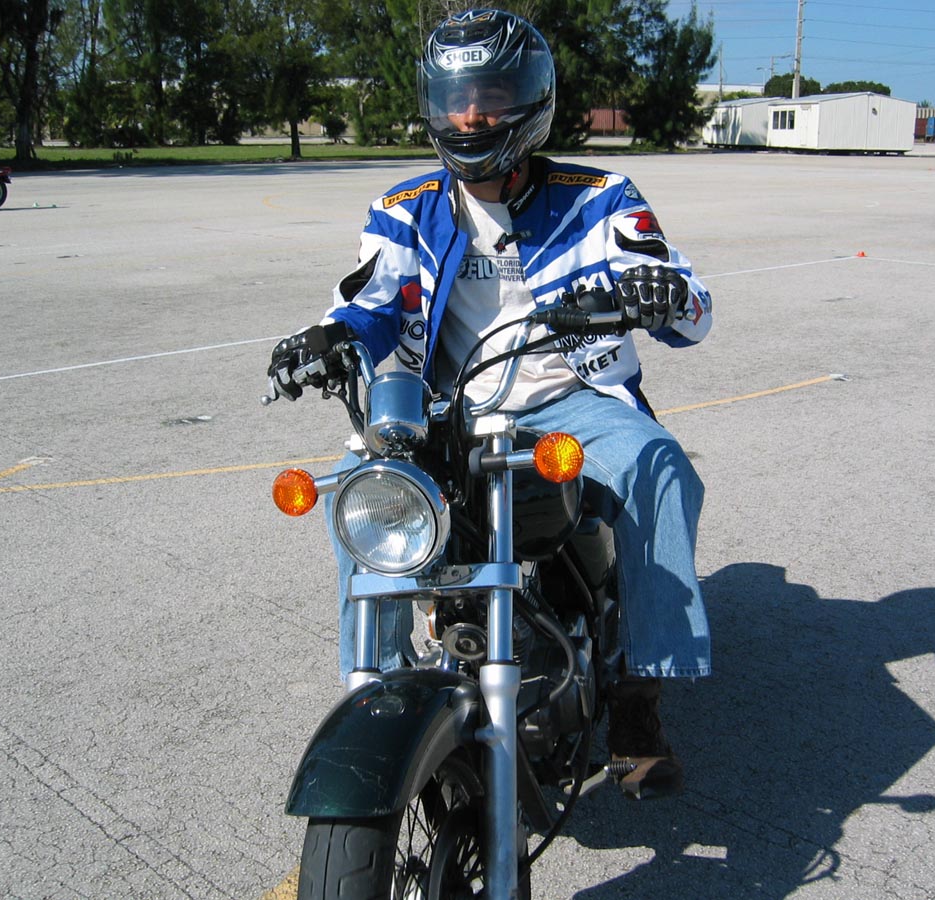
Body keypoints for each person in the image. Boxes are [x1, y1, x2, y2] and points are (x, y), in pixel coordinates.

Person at [267, 8, 714, 799]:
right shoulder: (404, 206)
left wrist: (662, 291)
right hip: (448, 408)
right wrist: (326, 336)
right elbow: (367, 301)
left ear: (532, 100)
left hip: (568, 401)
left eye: (491, 96)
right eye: (456, 98)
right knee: (359, 490)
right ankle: (381, 684)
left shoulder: (598, 197)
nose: (471, 116)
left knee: (659, 468)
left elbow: (686, 299)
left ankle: (640, 695)